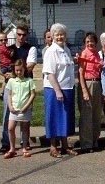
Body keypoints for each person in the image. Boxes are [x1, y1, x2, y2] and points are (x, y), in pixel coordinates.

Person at [0, 23, 38, 153]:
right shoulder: (8, 49)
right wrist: (4, 74)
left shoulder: (31, 49)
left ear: (27, 35)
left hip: (25, 85)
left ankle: (24, 142)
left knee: (24, 116)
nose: (21, 37)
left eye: (24, 35)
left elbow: (30, 65)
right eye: (19, 34)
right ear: (15, 35)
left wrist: (15, 73)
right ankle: (6, 143)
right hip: (11, 86)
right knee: (7, 115)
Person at [42, 23, 77, 158]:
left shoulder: (66, 50)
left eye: (62, 34)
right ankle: (53, 146)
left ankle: (65, 146)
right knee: (54, 118)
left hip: (67, 87)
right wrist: (57, 91)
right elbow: (50, 74)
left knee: (65, 118)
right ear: (52, 36)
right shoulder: (51, 52)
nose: (59, 37)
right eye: (57, 35)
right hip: (54, 89)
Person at [4, 59, 36, 159]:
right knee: (10, 128)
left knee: (24, 128)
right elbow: (9, 94)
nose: (18, 72)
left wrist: (26, 106)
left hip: (24, 109)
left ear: (24, 70)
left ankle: (25, 147)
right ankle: (12, 148)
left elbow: (33, 94)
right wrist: (10, 106)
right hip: (14, 108)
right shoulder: (12, 81)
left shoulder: (29, 81)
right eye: (17, 70)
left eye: (20, 70)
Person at [77, 32, 103, 153]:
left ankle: (94, 140)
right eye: (87, 42)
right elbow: (81, 73)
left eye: (92, 41)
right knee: (87, 116)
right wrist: (84, 91)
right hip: (87, 83)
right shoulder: (84, 54)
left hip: (97, 83)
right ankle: (86, 143)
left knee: (96, 115)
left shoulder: (97, 54)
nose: (90, 43)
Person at [0, 32, 13, 101]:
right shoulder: (2, 48)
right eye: (1, 40)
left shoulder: (0, 48)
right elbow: (10, 53)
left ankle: (2, 92)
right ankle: (6, 92)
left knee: (6, 80)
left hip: (4, 66)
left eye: (5, 40)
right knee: (11, 78)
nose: (3, 41)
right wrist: (12, 51)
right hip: (6, 66)